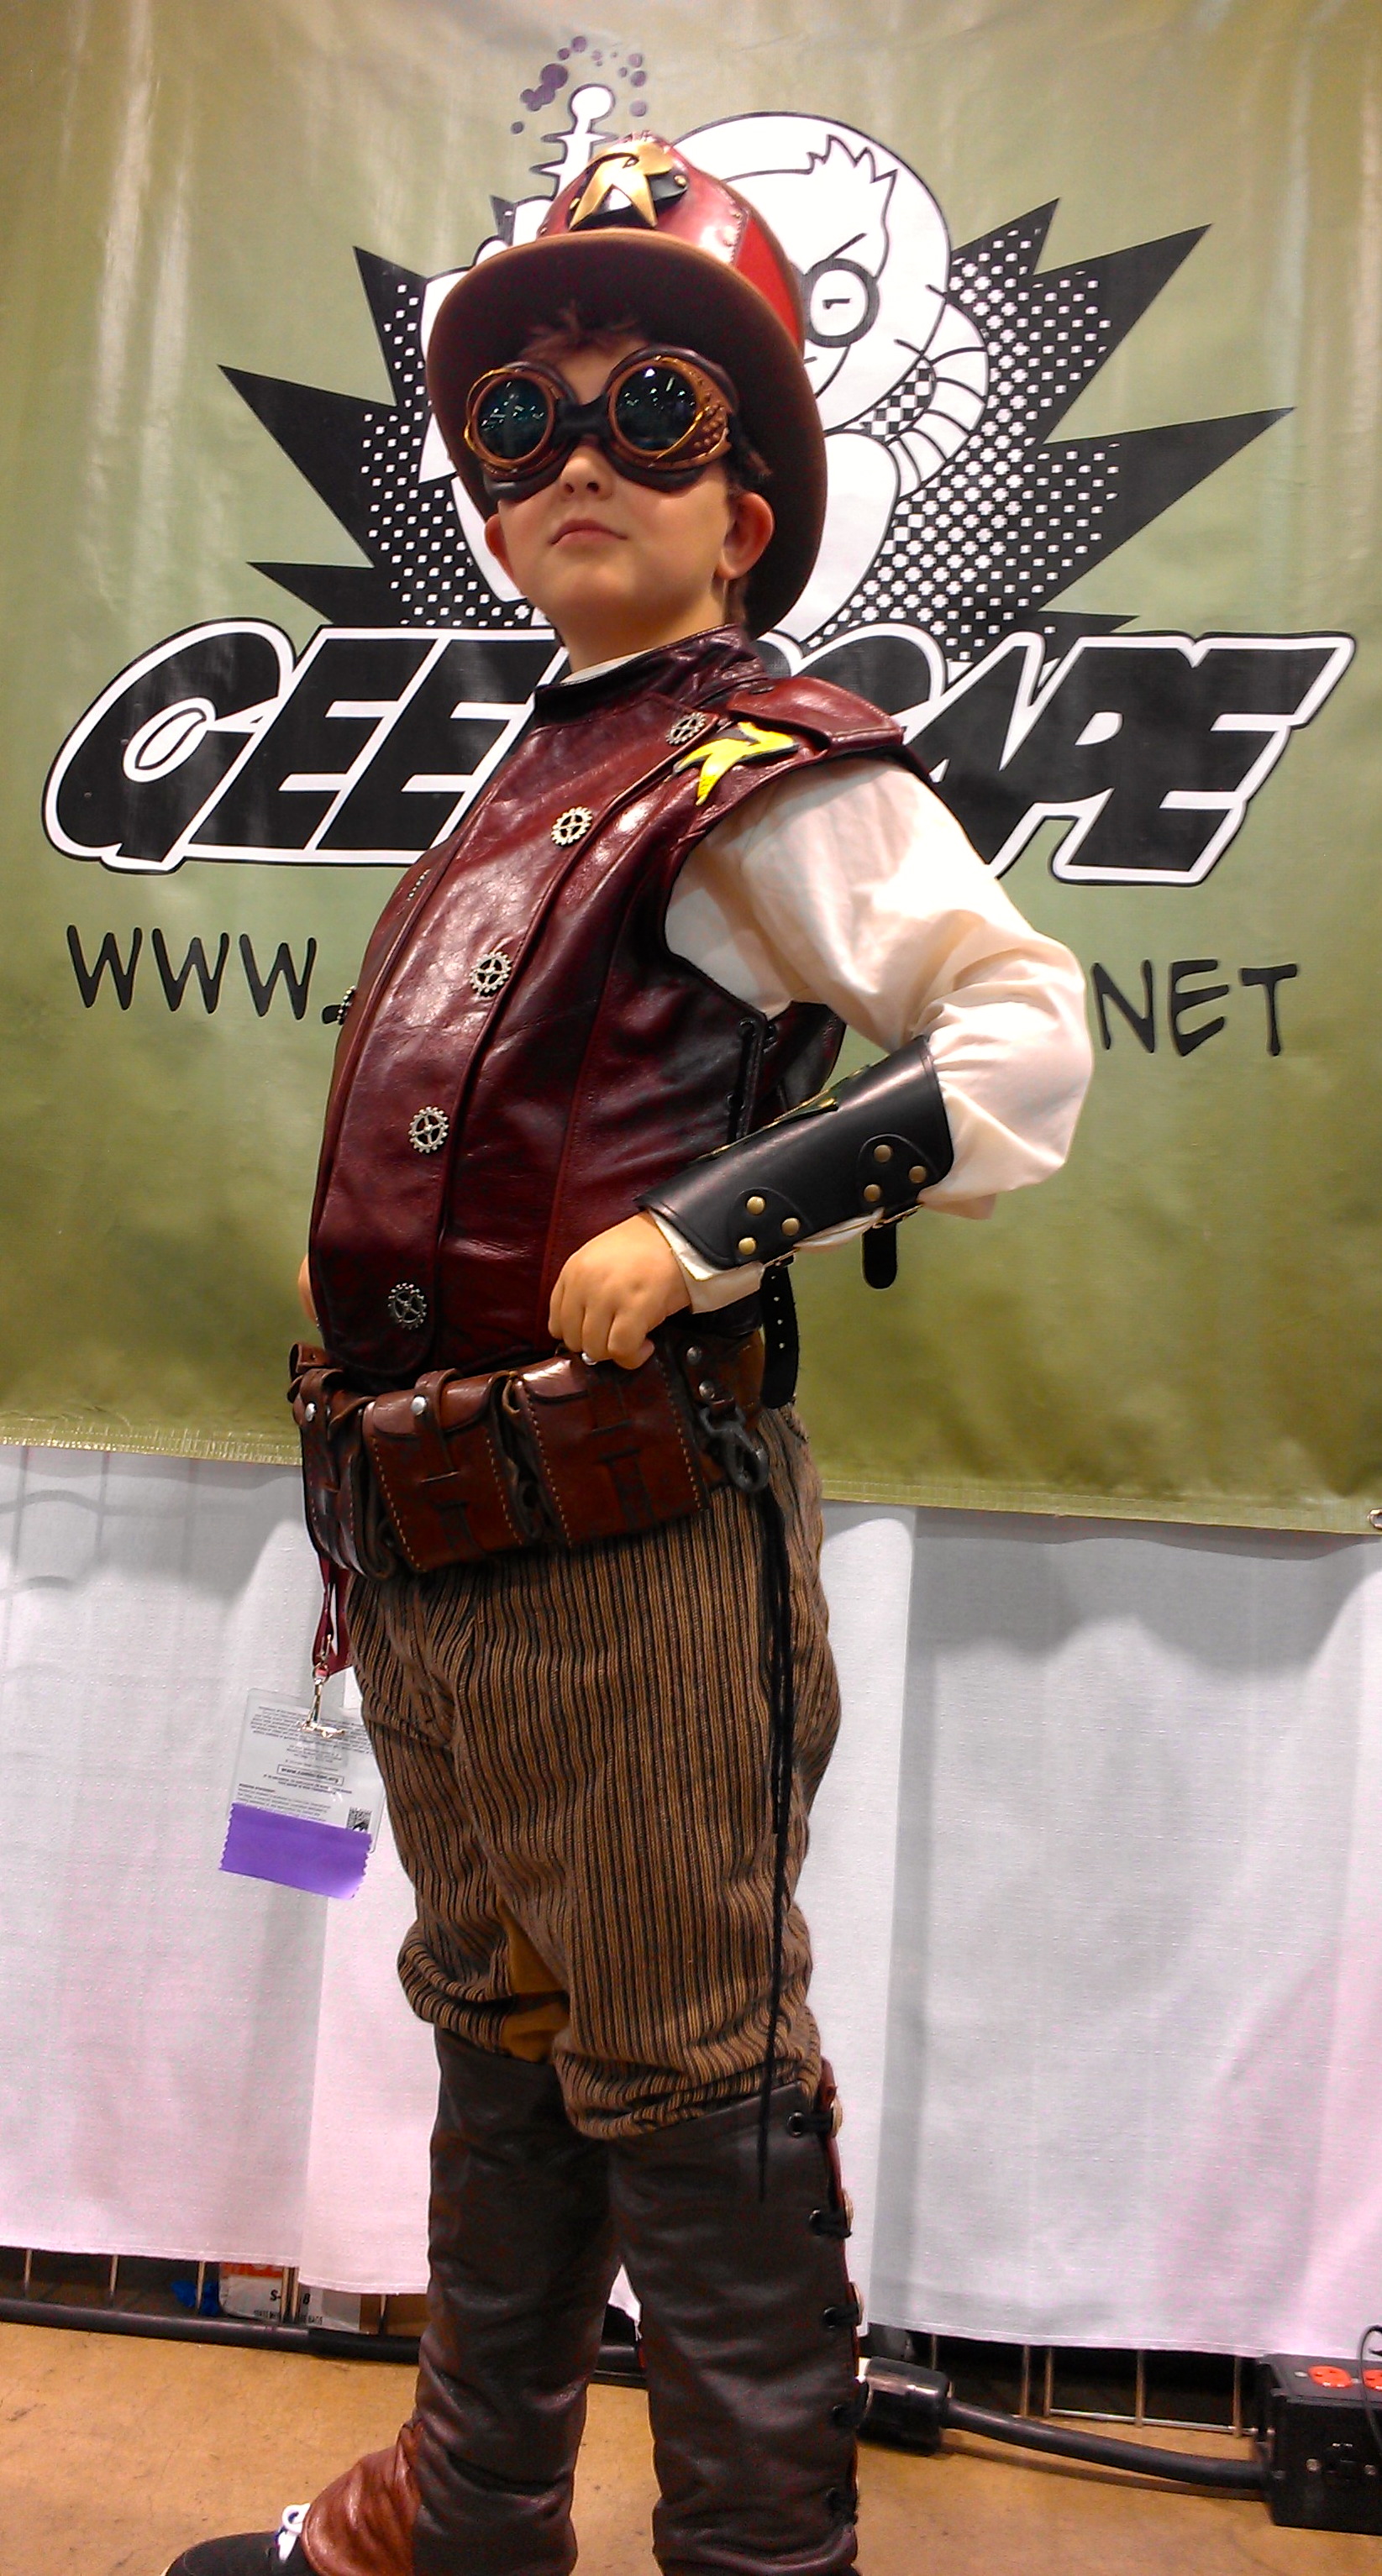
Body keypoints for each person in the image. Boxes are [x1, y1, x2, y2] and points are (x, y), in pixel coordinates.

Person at [167, 135, 1090, 2576]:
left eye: (650, 406)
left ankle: (759, 2553)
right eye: (522, 418)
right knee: (498, 2013)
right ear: (482, 497)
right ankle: (474, 2505)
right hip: (432, 1529)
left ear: (747, 503)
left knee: (689, 2059)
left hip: (637, 1530)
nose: (577, 451)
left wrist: (707, 1230)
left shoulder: (773, 774)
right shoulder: (537, 773)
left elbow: (1022, 1043)